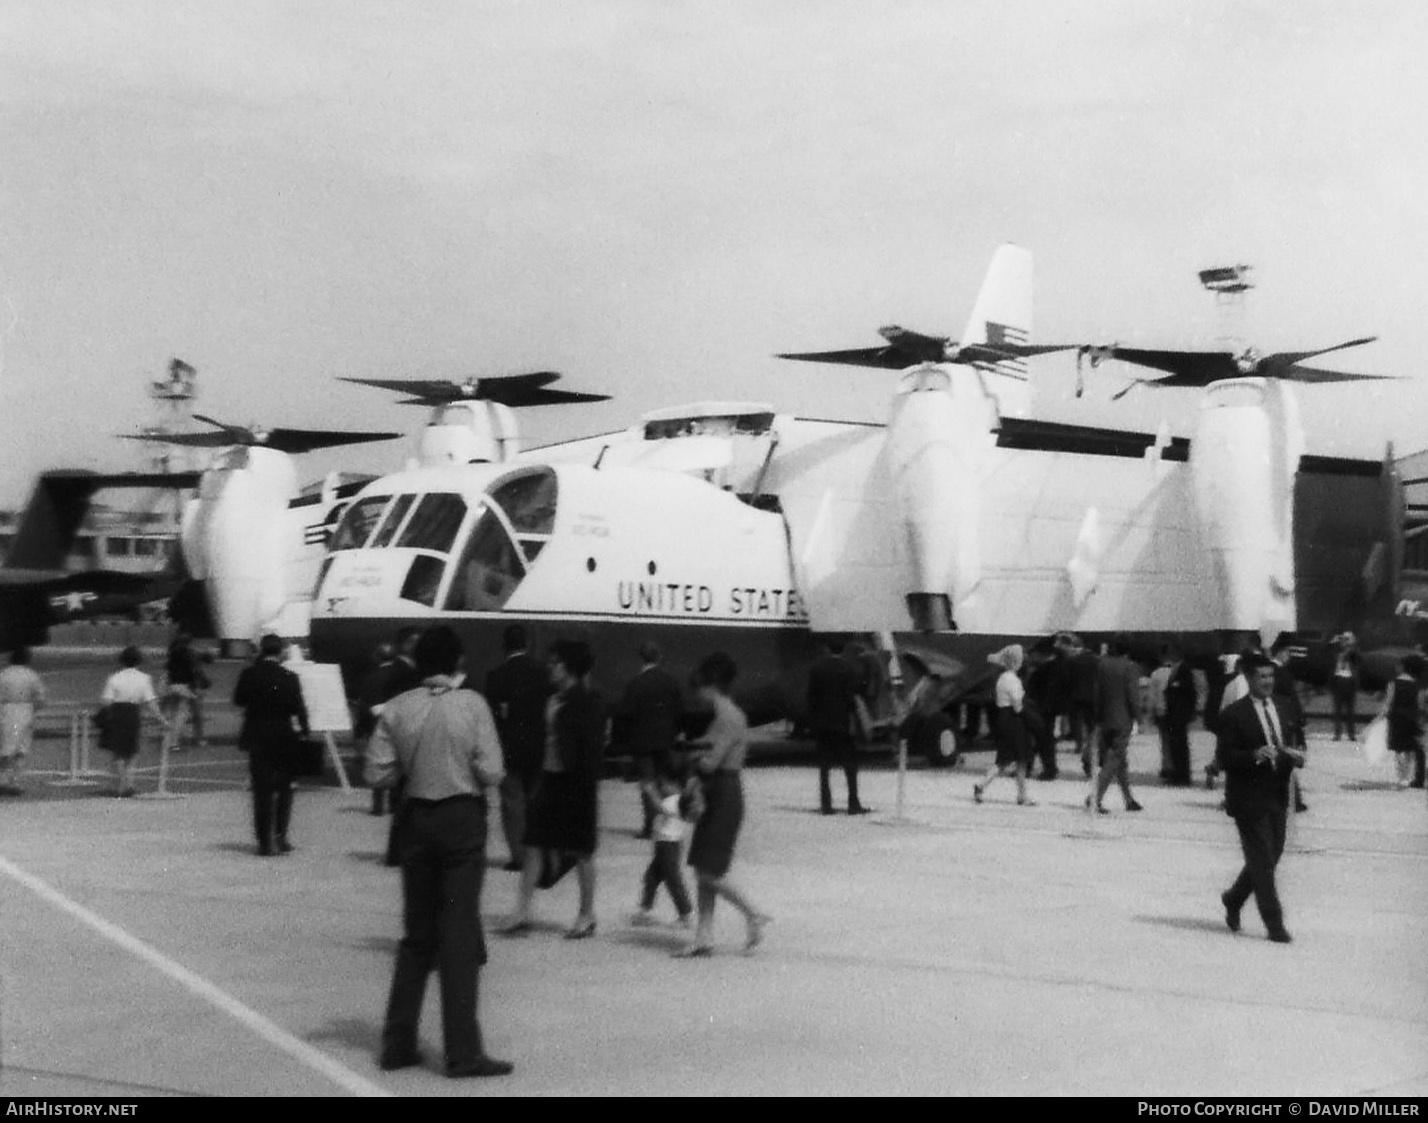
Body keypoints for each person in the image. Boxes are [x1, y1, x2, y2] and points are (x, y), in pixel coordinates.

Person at [365, 625, 512, 1079]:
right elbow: (493, 771)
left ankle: (398, 1041)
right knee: (459, 934)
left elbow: (376, 774)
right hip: (461, 821)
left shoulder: (397, 708)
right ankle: (462, 1051)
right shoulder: (472, 705)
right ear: (457, 663)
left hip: (416, 821)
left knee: (417, 935)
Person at [503, 639, 605, 940]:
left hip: (576, 786)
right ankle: (522, 911)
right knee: (533, 843)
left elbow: (590, 753)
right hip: (549, 781)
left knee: (581, 852)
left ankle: (587, 915)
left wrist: (584, 787)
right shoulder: (552, 699)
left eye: (556, 662)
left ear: (570, 667)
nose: (550, 666)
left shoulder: (587, 703)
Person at [674, 651, 771, 958]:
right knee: (705, 868)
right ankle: (704, 936)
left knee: (708, 872)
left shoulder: (728, 717)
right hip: (721, 791)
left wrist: (688, 758)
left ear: (710, 685)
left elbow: (711, 762)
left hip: (722, 792)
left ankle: (752, 913)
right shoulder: (726, 716)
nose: (698, 695)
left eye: (700, 688)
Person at [1215, 652, 1305, 944]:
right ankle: (1274, 924)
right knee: (1262, 863)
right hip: (1248, 796)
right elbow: (1225, 757)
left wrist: (1298, 756)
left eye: (1270, 676)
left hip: (1277, 793)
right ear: (1249, 679)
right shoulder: (1234, 715)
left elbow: (1295, 741)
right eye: (1261, 677)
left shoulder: (1285, 705)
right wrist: (1253, 755)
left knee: (1272, 855)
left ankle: (1234, 898)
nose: (1268, 681)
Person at [233, 634, 311, 857]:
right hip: (284, 736)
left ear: (261, 650)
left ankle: (263, 840)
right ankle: (281, 835)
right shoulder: (290, 677)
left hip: (257, 735)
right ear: (281, 652)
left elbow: (239, 700)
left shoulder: (249, 674)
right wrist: (305, 731)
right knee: (285, 788)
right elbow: (299, 708)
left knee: (262, 790)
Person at [484, 624, 550, 870]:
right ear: (528, 644)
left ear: (505, 646)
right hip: (539, 748)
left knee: (512, 803)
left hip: (508, 748)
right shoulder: (543, 673)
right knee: (536, 802)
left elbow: (491, 716)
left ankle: (519, 857)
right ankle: (538, 854)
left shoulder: (495, 676)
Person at [615, 640, 684, 840]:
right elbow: (679, 711)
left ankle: (649, 825)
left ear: (641, 658)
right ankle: (669, 821)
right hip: (665, 740)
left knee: (647, 784)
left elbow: (626, 714)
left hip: (642, 741)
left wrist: (622, 742)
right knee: (665, 782)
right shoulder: (671, 682)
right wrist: (676, 732)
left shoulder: (635, 684)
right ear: (659, 657)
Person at [806, 639, 868, 815]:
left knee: (824, 767)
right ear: (844, 649)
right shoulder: (849, 669)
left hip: (823, 724)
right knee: (850, 765)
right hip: (842, 723)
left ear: (827, 647)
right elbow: (851, 698)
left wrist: (813, 722)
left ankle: (826, 804)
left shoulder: (817, 669)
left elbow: (812, 698)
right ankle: (853, 803)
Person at [99, 645, 168, 797]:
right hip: (133, 713)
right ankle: (129, 783)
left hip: (117, 713)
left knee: (118, 752)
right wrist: (161, 719)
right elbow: (151, 702)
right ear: (139, 660)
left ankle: (122, 784)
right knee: (132, 750)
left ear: (122, 660)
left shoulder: (114, 677)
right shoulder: (144, 678)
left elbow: (106, 701)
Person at [630, 762, 693, 928]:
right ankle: (645, 910)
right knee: (651, 877)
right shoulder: (680, 800)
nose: (662, 788)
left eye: (664, 784)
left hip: (668, 846)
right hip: (665, 846)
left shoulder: (675, 800)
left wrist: (650, 792)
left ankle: (685, 914)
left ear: (675, 785)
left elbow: (660, 808)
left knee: (673, 879)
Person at [973, 644, 1035, 806]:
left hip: (1003, 718)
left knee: (1003, 759)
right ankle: (1022, 796)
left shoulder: (1001, 678)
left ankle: (982, 784)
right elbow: (1018, 706)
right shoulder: (1013, 680)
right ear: (1016, 661)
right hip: (1015, 720)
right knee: (1021, 759)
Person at [1090, 638, 1144, 814]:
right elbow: (1133, 696)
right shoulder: (1130, 667)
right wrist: (1139, 718)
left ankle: (1128, 799)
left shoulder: (1101, 665)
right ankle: (1095, 797)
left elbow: (1096, 692)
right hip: (1122, 719)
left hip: (1105, 717)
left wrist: (1097, 716)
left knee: (1119, 760)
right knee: (1113, 759)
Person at [1269, 636, 1310, 812]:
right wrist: (1298, 720)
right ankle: (1293, 800)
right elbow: (1288, 699)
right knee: (1286, 761)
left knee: (1286, 761)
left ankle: (1293, 799)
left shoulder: (1278, 671)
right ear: (1280, 652)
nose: (1289, 656)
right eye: (1287, 652)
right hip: (1284, 721)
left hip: (1285, 720)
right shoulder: (1276, 672)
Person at [0, 646, 45, 796]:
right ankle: (16, 782)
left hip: (7, 709)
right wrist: (33, 710)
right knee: (21, 749)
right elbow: (40, 698)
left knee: (6, 747)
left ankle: (3, 780)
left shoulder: (4, 674)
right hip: (26, 709)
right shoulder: (31, 675)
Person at [1382, 652, 1426, 790]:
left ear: (1404, 667)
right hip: (1411, 719)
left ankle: (1402, 778)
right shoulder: (1418, 686)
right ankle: (1412, 777)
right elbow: (1420, 705)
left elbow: (1388, 703)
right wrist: (1421, 723)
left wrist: (1380, 718)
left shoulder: (1393, 683)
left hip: (1396, 719)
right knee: (1412, 749)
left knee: (1399, 749)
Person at [161, 630, 210, 750]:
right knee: (182, 715)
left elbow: (167, 671)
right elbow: (197, 669)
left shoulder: (173, 653)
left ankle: (170, 738)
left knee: (173, 714)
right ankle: (175, 742)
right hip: (186, 687)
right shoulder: (190, 654)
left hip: (172, 685)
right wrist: (204, 683)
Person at [1159, 645, 1198, 787]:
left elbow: (1190, 692)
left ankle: (1182, 775)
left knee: (1180, 745)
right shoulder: (1176, 669)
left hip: (1179, 714)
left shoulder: (1184, 670)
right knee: (1175, 745)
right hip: (1174, 714)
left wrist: (1189, 712)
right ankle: (1177, 773)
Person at [1061, 635, 1099, 776]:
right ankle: (1087, 752)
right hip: (1092, 699)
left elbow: (1067, 680)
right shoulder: (1096, 660)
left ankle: (1079, 744)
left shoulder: (1071, 661)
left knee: (1077, 723)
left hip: (1075, 698)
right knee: (1091, 728)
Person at [1329, 632, 1361, 741]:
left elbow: (1357, 657)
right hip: (1338, 681)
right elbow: (1326, 651)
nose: (1345, 641)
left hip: (1349, 681)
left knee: (1350, 710)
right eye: (1344, 639)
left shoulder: (1353, 652)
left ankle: (1351, 734)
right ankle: (1337, 733)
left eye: (1347, 639)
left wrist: (1352, 644)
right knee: (1337, 710)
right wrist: (1334, 641)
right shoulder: (1336, 651)